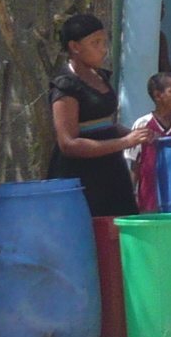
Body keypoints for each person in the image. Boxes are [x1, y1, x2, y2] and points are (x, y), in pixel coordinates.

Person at [48, 14, 153, 217]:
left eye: (104, 42)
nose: (103, 49)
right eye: (95, 43)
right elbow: (68, 144)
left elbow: (104, 125)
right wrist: (124, 142)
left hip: (111, 170)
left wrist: (138, 135)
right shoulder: (66, 86)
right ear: (74, 47)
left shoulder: (101, 77)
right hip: (82, 177)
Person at [126, 73, 171, 213]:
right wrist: (129, 199)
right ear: (158, 95)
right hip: (149, 199)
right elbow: (135, 166)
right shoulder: (143, 125)